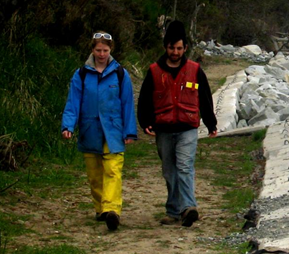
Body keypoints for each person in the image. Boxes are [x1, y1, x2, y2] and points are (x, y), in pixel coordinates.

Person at [138, 20, 217, 227]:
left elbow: (205, 97)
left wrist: (211, 123)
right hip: (163, 128)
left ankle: (188, 208)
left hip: (187, 128)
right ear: (166, 47)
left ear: (185, 48)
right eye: (172, 47)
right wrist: (145, 122)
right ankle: (173, 210)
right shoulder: (154, 71)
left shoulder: (195, 70)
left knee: (184, 166)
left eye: (179, 48)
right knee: (169, 170)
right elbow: (145, 98)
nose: (175, 51)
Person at [61, 32, 137, 232]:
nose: (102, 54)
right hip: (89, 129)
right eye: (98, 50)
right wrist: (68, 126)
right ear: (92, 50)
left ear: (111, 50)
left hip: (114, 130)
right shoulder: (81, 74)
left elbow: (127, 104)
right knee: (95, 174)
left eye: (105, 50)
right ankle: (100, 208)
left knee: (112, 170)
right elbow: (73, 102)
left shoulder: (120, 74)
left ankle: (112, 209)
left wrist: (130, 132)